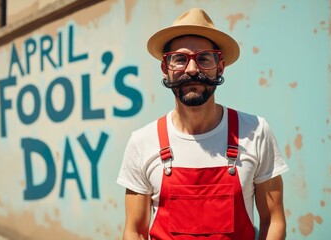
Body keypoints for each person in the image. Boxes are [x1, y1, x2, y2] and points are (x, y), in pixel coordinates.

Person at [117, 8, 289, 240]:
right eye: (179, 59)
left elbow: (273, 221)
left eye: (203, 58)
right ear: (166, 69)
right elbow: (134, 230)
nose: (191, 69)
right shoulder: (143, 141)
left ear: (219, 67)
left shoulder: (256, 131)